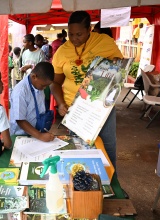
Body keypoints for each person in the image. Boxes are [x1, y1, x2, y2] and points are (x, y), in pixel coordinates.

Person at [50, 11, 123, 169]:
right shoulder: (62, 51)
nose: (75, 39)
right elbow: (55, 83)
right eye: (71, 34)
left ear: (89, 29)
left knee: (108, 145)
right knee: (80, 148)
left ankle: (111, 185)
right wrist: (61, 103)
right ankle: (84, 185)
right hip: (75, 108)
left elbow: (119, 67)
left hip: (101, 106)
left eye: (79, 34)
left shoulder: (104, 41)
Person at [10, 62, 55, 142]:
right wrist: (40, 136)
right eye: (43, 85)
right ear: (34, 77)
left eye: (47, 86)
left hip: (35, 133)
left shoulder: (38, 84)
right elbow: (20, 120)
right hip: (21, 135)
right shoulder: (20, 92)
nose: (44, 88)